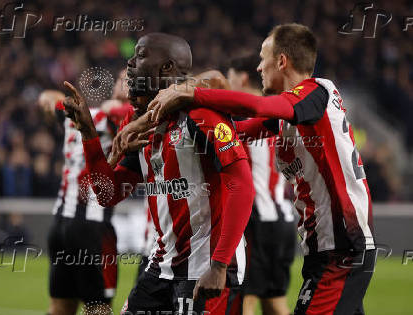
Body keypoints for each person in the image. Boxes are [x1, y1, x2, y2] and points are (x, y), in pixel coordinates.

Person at [147, 24, 376, 315]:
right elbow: (234, 131)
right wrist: (167, 124)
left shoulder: (316, 92)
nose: (258, 67)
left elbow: (256, 107)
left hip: (342, 245)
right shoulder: (289, 116)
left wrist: (195, 97)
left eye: (262, 57)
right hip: (324, 246)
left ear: (281, 61)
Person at [62, 32, 254, 315]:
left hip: (205, 266)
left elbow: (242, 184)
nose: (130, 62)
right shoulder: (137, 121)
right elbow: (107, 193)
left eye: (140, 55)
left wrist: (220, 265)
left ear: (166, 68)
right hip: (162, 265)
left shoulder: (202, 114)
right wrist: (89, 134)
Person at [38, 73, 129, 315]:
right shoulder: (117, 117)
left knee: (60, 307)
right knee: (98, 308)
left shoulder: (80, 113)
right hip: (92, 228)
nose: (127, 79)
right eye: (124, 76)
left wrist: (51, 98)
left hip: (60, 224)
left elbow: (49, 99)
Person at [227, 54, 296, 315]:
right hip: (283, 217)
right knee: (274, 302)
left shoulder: (243, 115)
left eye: (230, 75)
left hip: (256, 219)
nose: (227, 82)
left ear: (242, 78)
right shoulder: (280, 111)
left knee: (244, 299)